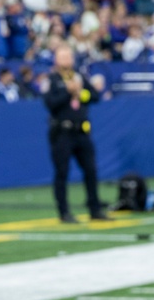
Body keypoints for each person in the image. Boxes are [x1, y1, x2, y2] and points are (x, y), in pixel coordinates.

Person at [43, 43, 110, 222]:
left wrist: (80, 93)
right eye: (63, 57)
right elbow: (50, 103)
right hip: (62, 132)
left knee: (91, 170)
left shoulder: (79, 76)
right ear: (56, 60)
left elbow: (94, 96)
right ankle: (64, 212)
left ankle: (94, 209)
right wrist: (68, 92)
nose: (66, 60)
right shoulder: (52, 79)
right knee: (62, 173)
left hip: (82, 131)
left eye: (69, 56)